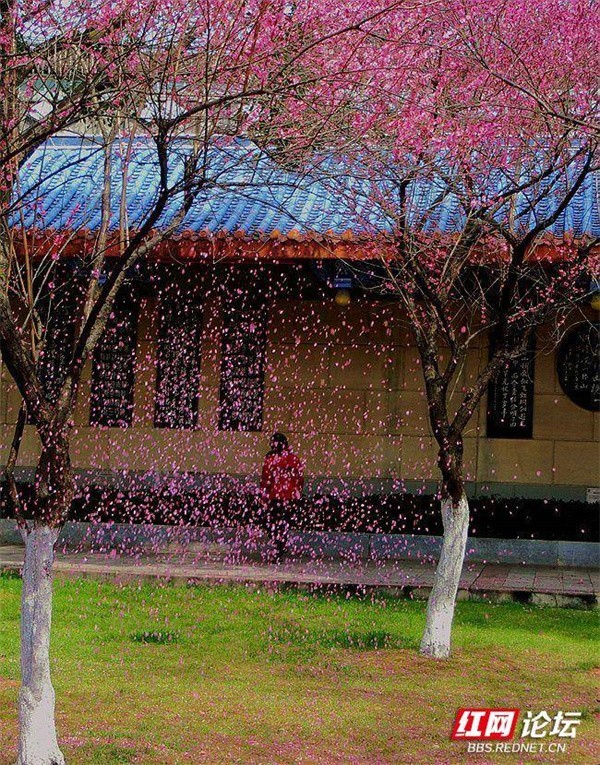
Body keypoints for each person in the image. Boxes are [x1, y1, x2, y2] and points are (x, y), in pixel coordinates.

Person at [260, 432, 304, 562]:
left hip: (275, 497)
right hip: (290, 497)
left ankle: (278, 548)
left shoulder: (271, 460)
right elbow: (300, 479)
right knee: (284, 524)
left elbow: (265, 479)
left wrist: (263, 495)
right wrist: (298, 493)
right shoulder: (294, 459)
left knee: (273, 523)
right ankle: (280, 547)